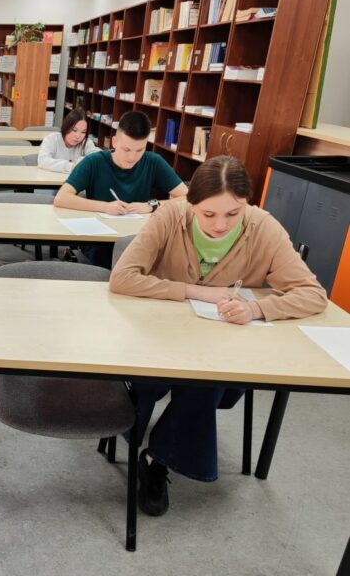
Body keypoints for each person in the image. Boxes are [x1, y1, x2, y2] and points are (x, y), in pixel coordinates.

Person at [108, 155, 328, 517]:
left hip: (221, 350)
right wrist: (196, 291)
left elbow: (313, 294)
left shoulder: (264, 227)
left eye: (233, 213)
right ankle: (145, 438)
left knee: (206, 382)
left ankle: (157, 460)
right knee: (154, 380)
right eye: (208, 214)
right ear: (191, 203)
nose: (221, 225)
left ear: (247, 204)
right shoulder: (169, 216)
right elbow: (122, 278)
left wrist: (257, 309)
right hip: (157, 340)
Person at [53, 110, 188, 267]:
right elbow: (61, 198)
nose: (132, 157)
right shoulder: (94, 162)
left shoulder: (153, 162)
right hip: (101, 243)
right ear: (114, 142)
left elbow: (188, 198)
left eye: (140, 150)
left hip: (139, 239)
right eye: (126, 149)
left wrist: (151, 205)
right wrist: (105, 207)